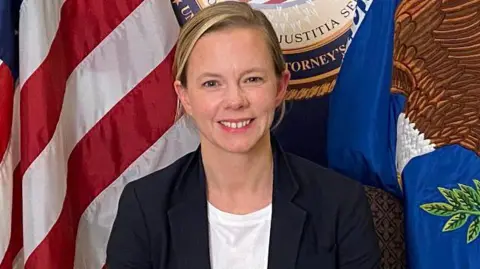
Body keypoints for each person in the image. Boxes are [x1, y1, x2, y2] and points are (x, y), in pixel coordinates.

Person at [105, 2, 381, 269]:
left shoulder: (340, 203)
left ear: (280, 86)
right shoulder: (144, 206)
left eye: (252, 79)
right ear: (185, 97)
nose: (235, 101)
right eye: (211, 83)